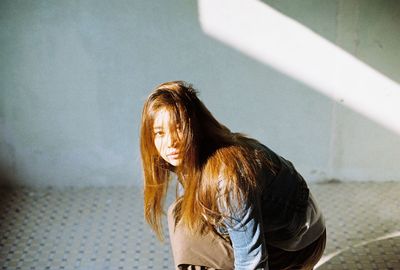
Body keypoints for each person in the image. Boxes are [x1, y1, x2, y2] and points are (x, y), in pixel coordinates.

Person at [140, 81, 326, 270]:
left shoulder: (228, 177)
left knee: (192, 241)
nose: (170, 142)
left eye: (178, 128)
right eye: (159, 133)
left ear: (195, 126)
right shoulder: (191, 158)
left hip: (297, 247)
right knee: (182, 216)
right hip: (279, 233)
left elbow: (252, 260)